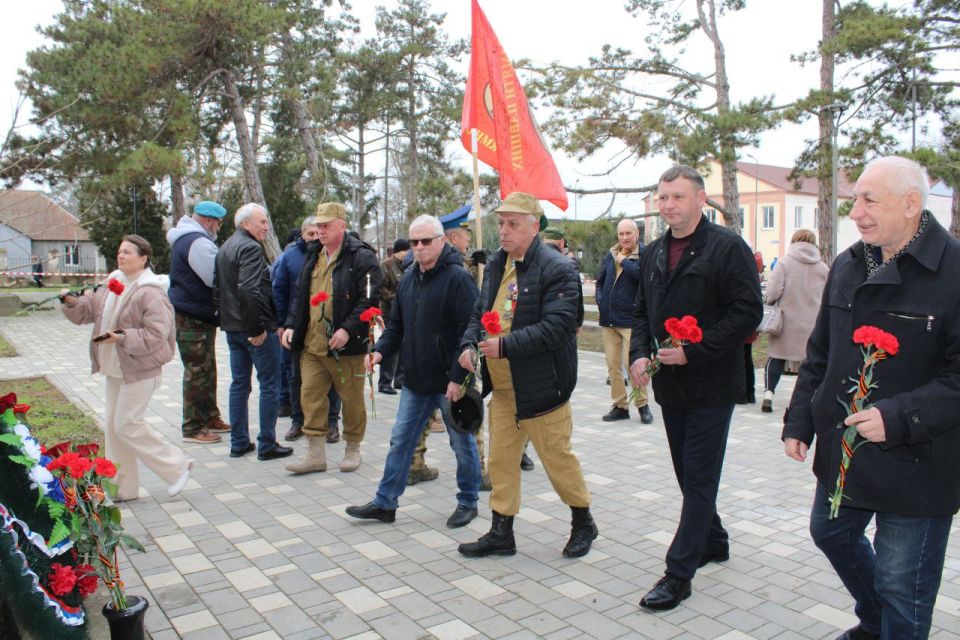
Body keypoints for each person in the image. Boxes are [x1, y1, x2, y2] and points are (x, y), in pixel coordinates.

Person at [783, 156, 960, 640]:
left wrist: (898, 417)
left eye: (869, 201)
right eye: (855, 199)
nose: (856, 212)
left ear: (911, 204)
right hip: (846, 453)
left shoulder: (954, 272)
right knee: (829, 532)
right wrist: (799, 421)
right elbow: (821, 352)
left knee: (903, 588)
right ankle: (875, 622)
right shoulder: (848, 264)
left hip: (918, 462)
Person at [628, 165, 762, 611]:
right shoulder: (652, 252)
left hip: (712, 383)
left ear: (701, 200)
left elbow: (747, 312)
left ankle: (678, 573)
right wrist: (639, 354)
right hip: (671, 386)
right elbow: (642, 312)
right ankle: (714, 540)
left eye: (678, 197)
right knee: (688, 474)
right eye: (662, 197)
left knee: (700, 477)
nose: (668, 205)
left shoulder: (727, 247)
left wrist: (696, 351)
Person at [457, 192, 598, 560]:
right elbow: (479, 314)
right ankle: (501, 532)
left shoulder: (556, 268)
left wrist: (505, 346)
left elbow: (559, 327)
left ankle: (583, 521)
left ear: (534, 227)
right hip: (504, 389)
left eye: (513, 224)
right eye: (501, 223)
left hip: (542, 388)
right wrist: (469, 344)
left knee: (557, 460)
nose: (503, 230)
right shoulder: (496, 264)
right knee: (501, 461)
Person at [345, 215, 481, 528]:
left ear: (441, 241)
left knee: (462, 444)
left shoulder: (458, 279)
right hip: (416, 381)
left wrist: (459, 379)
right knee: (400, 441)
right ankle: (385, 503)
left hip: (451, 381)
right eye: (414, 242)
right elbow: (396, 326)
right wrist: (379, 351)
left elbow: (471, 332)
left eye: (426, 241)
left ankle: (468, 501)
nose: (418, 247)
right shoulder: (407, 280)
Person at [61, 235, 191, 500]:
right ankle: (122, 488)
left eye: (128, 252)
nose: (121, 255)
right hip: (114, 368)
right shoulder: (112, 283)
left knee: (126, 425)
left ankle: (177, 466)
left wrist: (121, 337)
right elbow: (89, 311)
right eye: (120, 251)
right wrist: (71, 302)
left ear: (143, 258)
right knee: (113, 429)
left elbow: (157, 335)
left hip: (140, 370)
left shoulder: (151, 292)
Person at [282, 202, 381, 474]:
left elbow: (370, 298)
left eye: (326, 225)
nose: (320, 231)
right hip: (312, 345)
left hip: (347, 348)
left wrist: (347, 328)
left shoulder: (362, 257)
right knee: (310, 397)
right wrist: (290, 325)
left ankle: (352, 448)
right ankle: (315, 454)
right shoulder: (313, 254)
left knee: (351, 400)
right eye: (318, 226)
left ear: (342, 225)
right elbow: (301, 295)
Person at [214, 203, 293, 462]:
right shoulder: (249, 247)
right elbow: (249, 289)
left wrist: (229, 321)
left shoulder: (225, 247)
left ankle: (238, 443)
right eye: (262, 222)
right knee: (269, 384)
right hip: (253, 328)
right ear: (246, 223)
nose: (266, 227)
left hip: (233, 328)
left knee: (239, 384)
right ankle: (267, 444)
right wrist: (256, 329)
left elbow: (218, 290)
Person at [271, 218, 343, 443]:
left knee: (331, 376)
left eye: (317, 232)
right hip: (298, 327)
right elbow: (280, 291)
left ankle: (331, 422)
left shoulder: (333, 255)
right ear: (302, 234)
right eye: (310, 233)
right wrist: (282, 324)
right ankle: (298, 420)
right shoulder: (290, 257)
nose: (315, 237)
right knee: (296, 377)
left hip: (328, 327)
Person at [166, 200, 231, 445]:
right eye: (218, 223)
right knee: (198, 371)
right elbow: (215, 278)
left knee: (207, 368)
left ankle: (210, 416)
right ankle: (193, 427)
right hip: (193, 317)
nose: (218, 228)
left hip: (196, 316)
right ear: (209, 220)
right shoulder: (198, 242)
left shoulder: (187, 239)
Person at [761, 229, 828, 413]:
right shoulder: (822, 268)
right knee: (809, 362)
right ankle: (801, 400)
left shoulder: (784, 263)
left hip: (786, 322)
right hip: (812, 323)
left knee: (775, 358)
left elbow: (773, 292)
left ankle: (768, 394)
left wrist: (769, 302)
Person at [595, 218, 653, 424]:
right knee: (613, 366)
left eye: (628, 233)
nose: (624, 237)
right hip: (609, 320)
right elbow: (600, 282)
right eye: (621, 234)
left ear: (637, 234)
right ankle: (620, 406)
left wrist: (624, 262)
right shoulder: (610, 254)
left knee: (634, 365)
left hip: (631, 321)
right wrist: (601, 302)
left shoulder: (645, 254)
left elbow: (643, 278)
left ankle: (642, 405)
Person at [377, 238, 409, 395]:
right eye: (406, 251)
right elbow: (380, 288)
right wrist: (396, 298)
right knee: (390, 347)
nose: (408, 254)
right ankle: (384, 382)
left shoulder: (409, 265)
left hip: (406, 312)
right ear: (399, 251)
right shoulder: (386, 265)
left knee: (404, 346)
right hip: (390, 312)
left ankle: (400, 379)